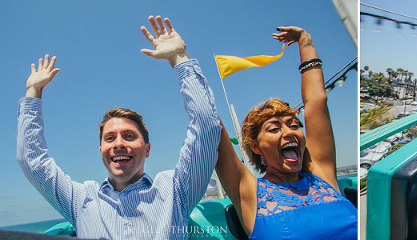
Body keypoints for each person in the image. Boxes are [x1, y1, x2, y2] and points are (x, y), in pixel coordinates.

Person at [16, 16, 221, 239]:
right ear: (101, 149)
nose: (119, 144)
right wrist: (33, 92)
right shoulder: (81, 199)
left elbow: (206, 127)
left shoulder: (176, 190)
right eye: (110, 138)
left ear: (147, 149)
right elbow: (33, 161)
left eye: (129, 136)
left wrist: (180, 58)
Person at [213, 26, 357, 239]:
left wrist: (304, 40)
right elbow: (208, 123)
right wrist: (180, 59)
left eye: (294, 125)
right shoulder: (249, 192)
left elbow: (316, 100)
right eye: (274, 128)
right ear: (255, 146)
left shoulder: (321, 173)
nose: (289, 131)